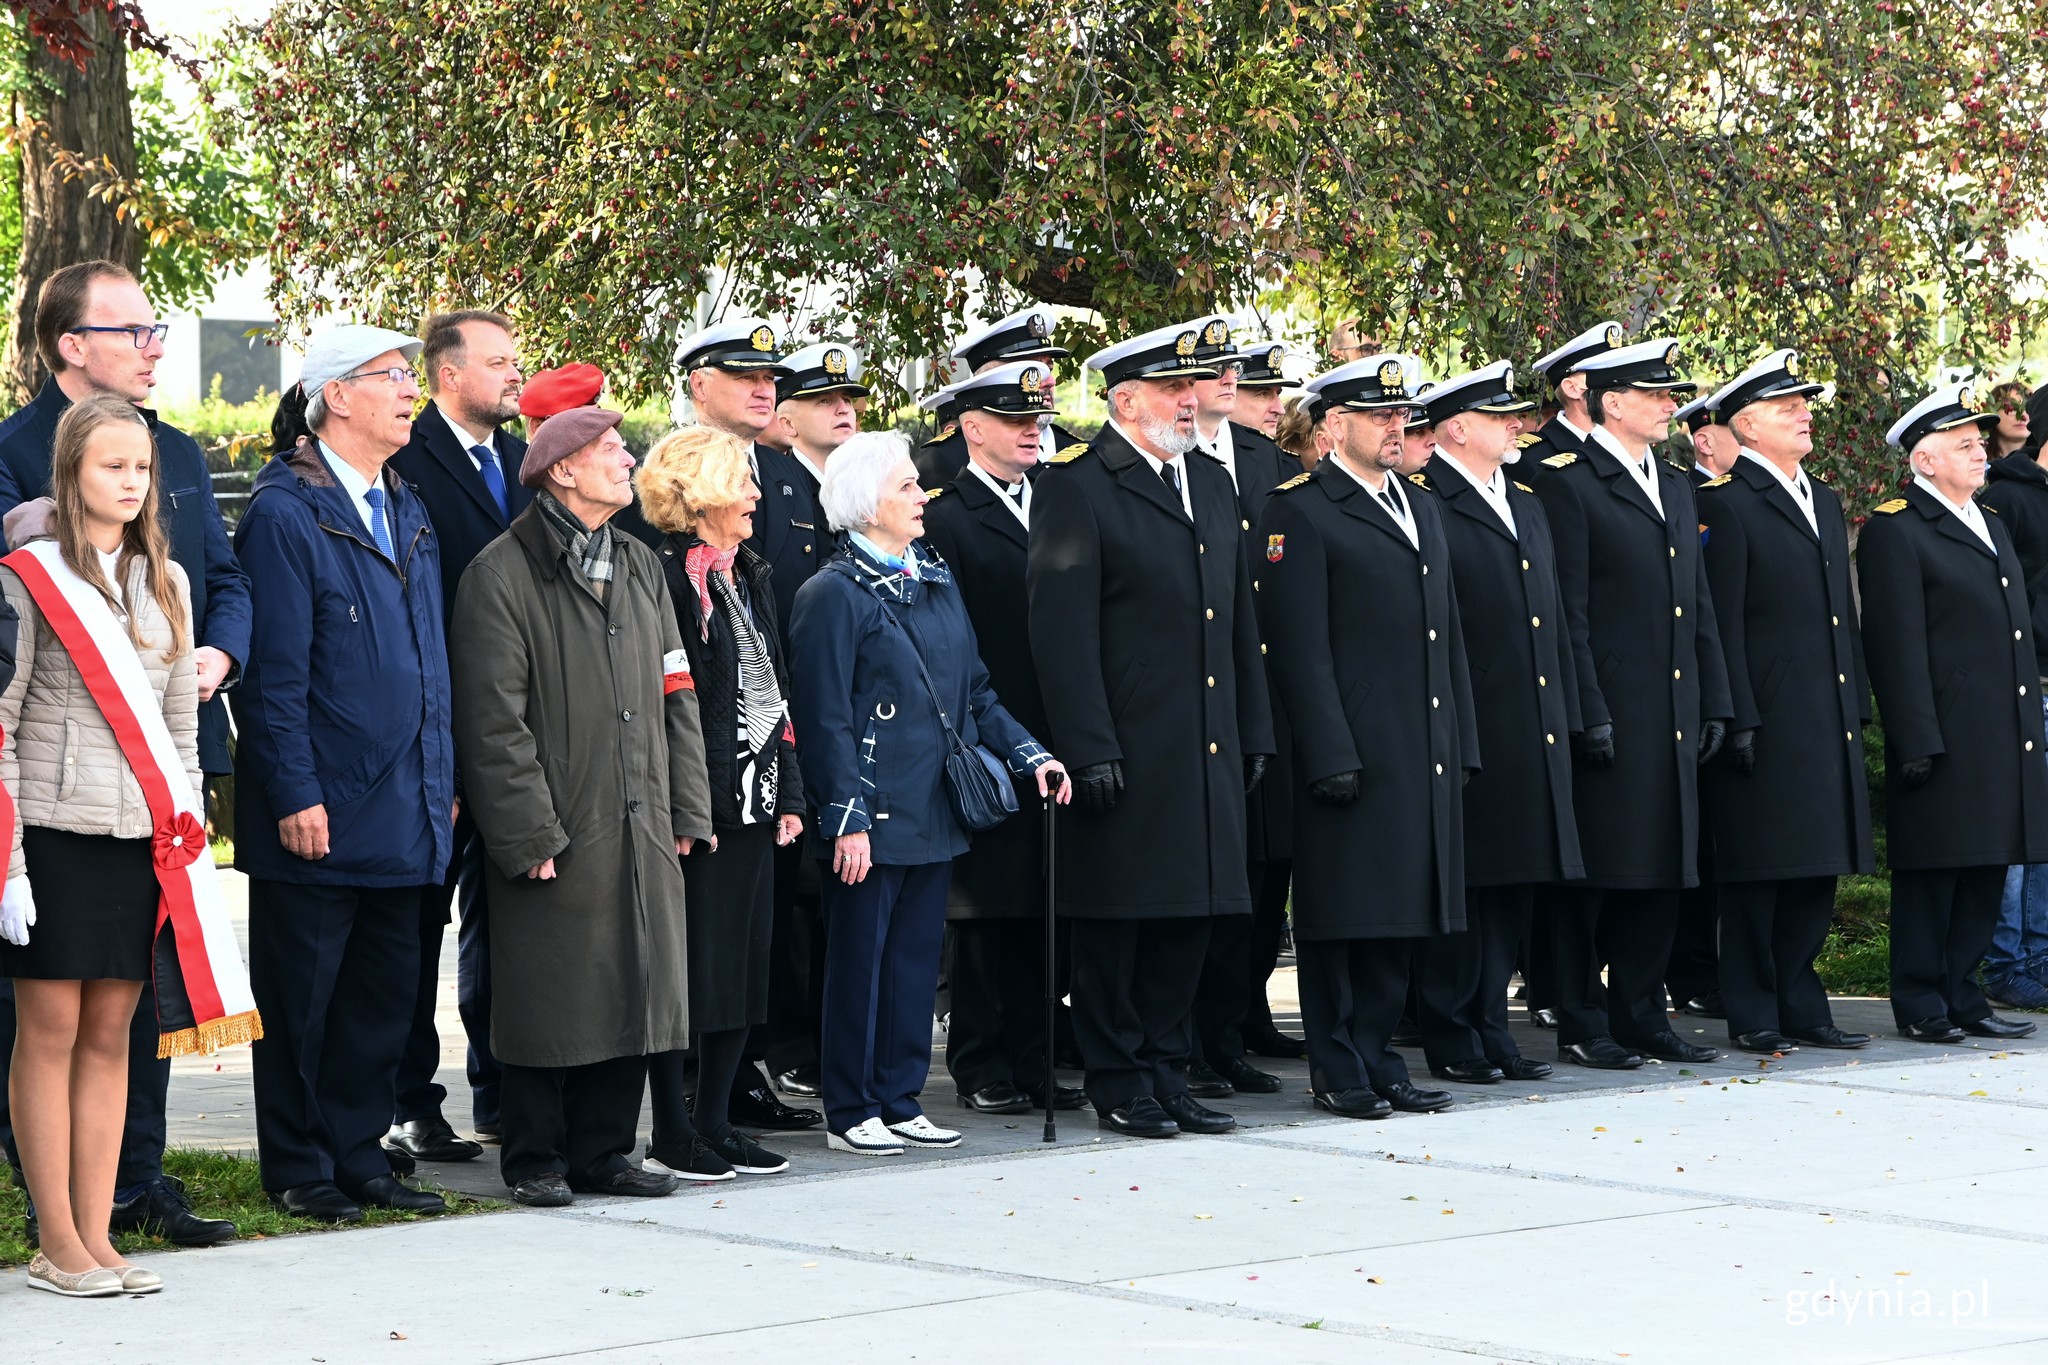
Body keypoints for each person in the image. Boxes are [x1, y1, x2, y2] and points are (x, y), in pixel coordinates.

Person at [0, 260, 251, 1250]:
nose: (154, 348)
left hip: (146, 810)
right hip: (55, 814)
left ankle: (122, 1202)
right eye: (134, 330)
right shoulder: (16, 484)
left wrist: (218, 655)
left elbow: (216, 588)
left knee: (125, 1025)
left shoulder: (173, 493)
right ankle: (56, 1221)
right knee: (49, 1027)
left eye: (140, 468)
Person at [446, 404, 713, 1205]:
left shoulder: (638, 563)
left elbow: (676, 689)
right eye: (611, 450)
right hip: (560, 819)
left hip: (643, 812)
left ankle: (605, 1151)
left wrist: (688, 806)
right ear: (562, 469)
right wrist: (528, 829)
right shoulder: (499, 573)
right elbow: (492, 723)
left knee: (634, 976)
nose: (628, 459)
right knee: (548, 987)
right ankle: (533, 1155)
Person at [1027, 322, 1275, 1140]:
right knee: (1120, 921)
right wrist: (1088, 745)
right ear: (1126, 400)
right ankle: (1119, 1077)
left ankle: (1169, 1070)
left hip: (1205, 742)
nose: (1190, 400)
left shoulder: (1209, 481)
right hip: (1131, 745)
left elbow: (1237, 619)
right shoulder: (1079, 483)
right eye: (1173, 389)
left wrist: (1253, 728)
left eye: (1191, 386)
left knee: (1192, 915)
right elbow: (1062, 633)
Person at [790, 431, 1067, 1155]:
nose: (922, 496)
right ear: (866, 505)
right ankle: (852, 1106)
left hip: (933, 805)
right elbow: (823, 719)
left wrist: (1031, 755)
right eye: (907, 486)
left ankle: (899, 1095)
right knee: (860, 964)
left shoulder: (935, 578)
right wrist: (845, 818)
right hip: (870, 814)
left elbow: (975, 691)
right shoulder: (831, 594)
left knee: (913, 963)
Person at [234, 325, 455, 1224]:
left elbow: (430, 658)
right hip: (323, 806)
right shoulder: (286, 510)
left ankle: (360, 1156)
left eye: (408, 376)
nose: (410, 391)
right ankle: (300, 1163)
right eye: (392, 376)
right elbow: (273, 676)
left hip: (405, 802)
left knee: (379, 999)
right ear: (336, 396)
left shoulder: (406, 502)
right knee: (304, 1001)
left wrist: (441, 777)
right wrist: (295, 791)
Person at [1256, 355, 1474, 1119]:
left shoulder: (1419, 504)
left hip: (1420, 746)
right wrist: (1329, 751)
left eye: (1401, 415)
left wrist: (1460, 739)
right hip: (1350, 751)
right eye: (1380, 415)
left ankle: (1381, 1058)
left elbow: (1447, 636)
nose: (1395, 426)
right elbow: (1298, 647)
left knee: (1401, 913)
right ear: (1334, 425)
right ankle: (1338, 1066)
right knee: (1344, 916)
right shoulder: (1301, 509)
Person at [1533, 338, 1731, 1070]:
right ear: (1610, 402)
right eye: (1654, 394)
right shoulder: (1569, 481)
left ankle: (1643, 1015)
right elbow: (1567, 612)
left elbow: (1696, 603)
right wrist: (1588, 709)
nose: (1669, 405)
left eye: (1669, 393)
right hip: (1612, 706)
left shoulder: (1674, 484)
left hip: (1673, 705)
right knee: (1595, 877)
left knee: (1664, 866)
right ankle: (1582, 1019)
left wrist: (1716, 698)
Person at [633, 426, 809, 1180]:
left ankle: (716, 1121)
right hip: (700, 811)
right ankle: (673, 1131)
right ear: (700, 492)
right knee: (691, 976)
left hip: (755, 803)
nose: (756, 496)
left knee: (742, 970)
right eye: (741, 481)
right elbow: (667, 705)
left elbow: (775, 691)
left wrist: (790, 793)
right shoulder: (666, 577)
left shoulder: (747, 573)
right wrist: (686, 806)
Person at [918, 361, 1088, 1116]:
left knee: (1047, 910)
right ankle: (981, 1059)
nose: (1032, 431)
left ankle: (1036, 1054)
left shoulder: (1059, 500)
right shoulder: (947, 517)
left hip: (1057, 735)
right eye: (1015, 420)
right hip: (985, 737)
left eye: (1037, 419)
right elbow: (948, 642)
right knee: (986, 913)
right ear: (971, 428)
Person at [383, 310, 531, 1165]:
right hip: (433, 735)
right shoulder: (405, 460)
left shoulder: (523, 460)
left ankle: (504, 1088)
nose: (515, 374)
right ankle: (411, 1102)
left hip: (514, 733)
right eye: (498, 361)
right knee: (415, 928)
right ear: (448, 374)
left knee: (507, 921)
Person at [1695, 350, 1875, 1054]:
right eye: (1787, 407)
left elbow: (1841, 617)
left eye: (1804, 404)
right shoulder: (1725, 501)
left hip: (1823, 714)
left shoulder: (1822, 498)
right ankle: (1753, 1010)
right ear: (1746, 425)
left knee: (1814, 867)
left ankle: (1802, 1002)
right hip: (1765, 718)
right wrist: (1739, 715)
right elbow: (1721, 622)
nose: (1805, 415)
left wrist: (1855, 704)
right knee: (1758, 872)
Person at [1861, 384, 2048, 1043]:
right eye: (1964, 445)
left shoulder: (1988, 521)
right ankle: (1920, 1000)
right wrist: (1916, 737)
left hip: (1999, 731)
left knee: (1984, 866)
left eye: (1979, 443)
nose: (1981, 454)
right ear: (1925, 460)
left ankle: (1963, 995)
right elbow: (1895, 644)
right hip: (1942, 733)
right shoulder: (1896, 528)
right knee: (1935, 871)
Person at [1406, 361, 1577, 1085]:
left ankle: (1491, 1027)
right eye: (1500, 417)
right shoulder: (1427, 499)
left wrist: (1571, 714)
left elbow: (1553, 621)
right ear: (1455, 429)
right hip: (1469, 720)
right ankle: (1451, 1032)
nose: (1518, 425)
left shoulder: (1525, 501)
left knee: (1512, 885)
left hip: (1530, 722)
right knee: (1464, 887)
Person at [675, 318, 824, 1127]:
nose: (766, 390)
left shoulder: (787, 475)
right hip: (707, 760)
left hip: (773, 738)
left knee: (764, 929)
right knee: (709, 942)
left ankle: (744, 1072)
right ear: (700, 384)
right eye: (746, 377)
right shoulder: (671, 479)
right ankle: (699, 1094)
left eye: (772, 378)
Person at [1183, 319, 1306, 1093]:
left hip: (1266, 694)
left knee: (1262, 876)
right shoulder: (1171, 462)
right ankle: (1192, 1037)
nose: (1230, 379)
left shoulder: (1268, 460)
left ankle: (1232, 1027)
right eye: (1214, 369)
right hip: (1204, 695)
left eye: (1236, 369)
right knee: (1207, 874)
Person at [1979, 382, 2048, 1010]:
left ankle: (2041, 957)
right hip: (2028, 689)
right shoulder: (2006, 499)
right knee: (2021, 837)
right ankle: (2007, 963)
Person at [912, 305, 1087, 486]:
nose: (1050, 381)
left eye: (1049, 368)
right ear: (992, 378)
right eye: (1032, 372)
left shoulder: (1078, 451)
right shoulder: (944, 459)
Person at [1515, 321, 1624, 483]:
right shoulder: (1530, 459)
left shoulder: (1627, 445)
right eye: (1604, 376)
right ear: (1572, 389)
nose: (1620, 384)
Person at [1988, 380, 2032, 459]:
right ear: (1992, 412)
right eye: (2013, 409)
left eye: (2028, 408)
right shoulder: (1977, 459)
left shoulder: (2043, 458)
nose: (2023, 416)